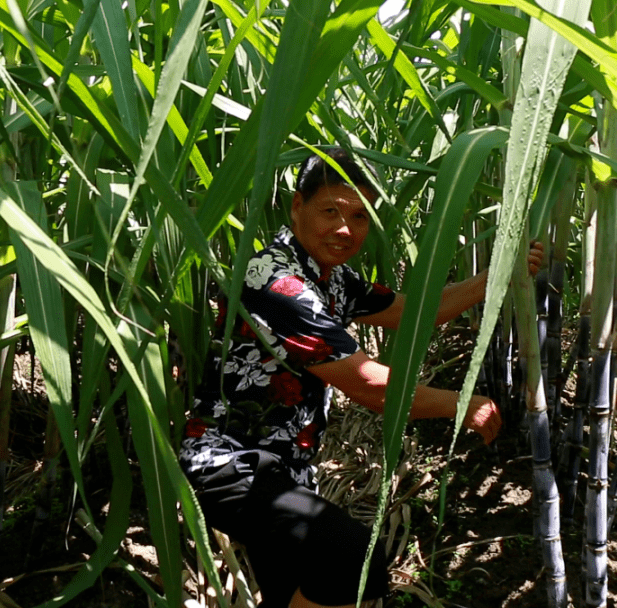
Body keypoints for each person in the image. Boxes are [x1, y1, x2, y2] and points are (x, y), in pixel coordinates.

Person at [179, 148, 544, 608]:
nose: (345, 228)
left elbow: (411, 312)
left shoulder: (334, 278)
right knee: (348, 554)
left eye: (359, 216)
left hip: (287, 467)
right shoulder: (275, 282)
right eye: (330, 211)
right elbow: (371, 385)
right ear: (297, 207)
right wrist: (463, 403)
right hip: (230, 462)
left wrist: (496, 279)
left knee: (292, 586)